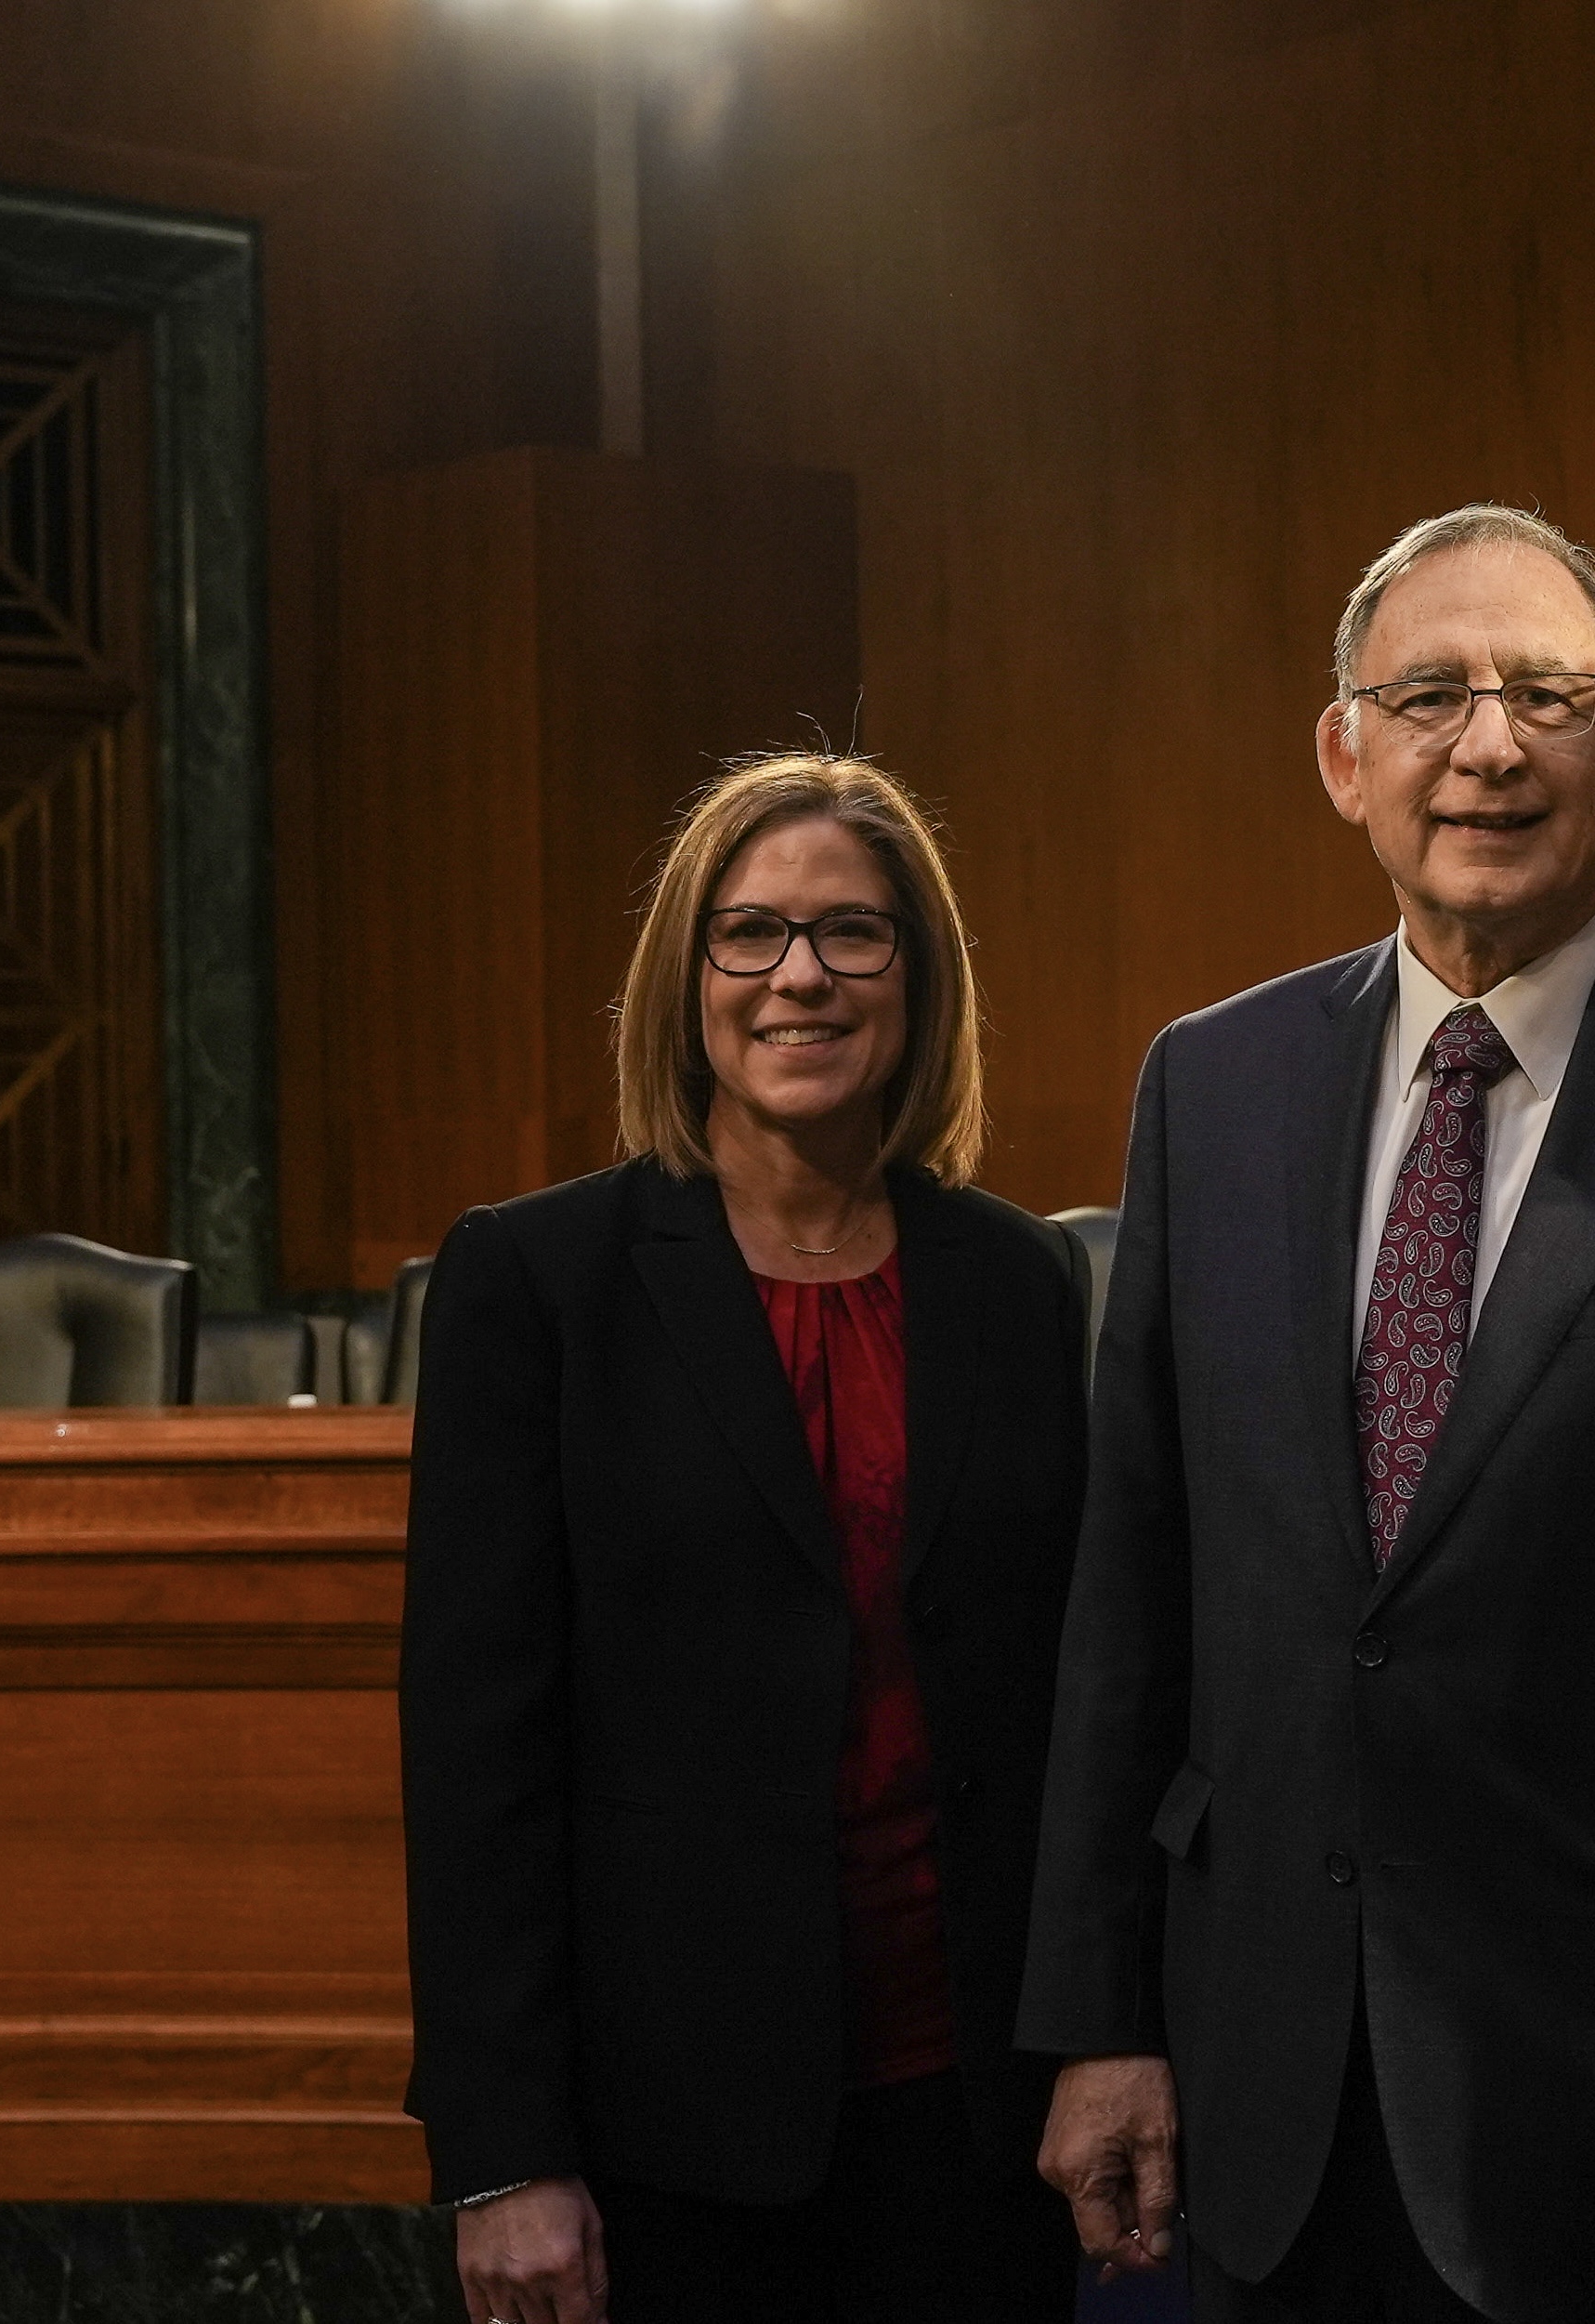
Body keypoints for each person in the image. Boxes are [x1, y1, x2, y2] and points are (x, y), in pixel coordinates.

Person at [1015, 506, 1595, 2321]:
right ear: (1342, 754)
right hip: (1271, 2097)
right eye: (1432, 692)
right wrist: (1099, 2017)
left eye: (1549, 692)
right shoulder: (1209, 1087)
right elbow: (1131, 1593)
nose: (1488, 744)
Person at [399, 755, 1093, 2324]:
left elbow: (1076, 1698)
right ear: (688, 975)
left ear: (917, 976)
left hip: (976, 2110)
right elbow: (475, 1755)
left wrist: (1106, 2040)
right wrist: (503, 2152)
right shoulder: (537, 1281)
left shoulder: (1020, 1281)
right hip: (666, 2133)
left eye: (853, 933)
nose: (801, 974)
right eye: (751, 932)